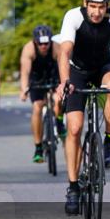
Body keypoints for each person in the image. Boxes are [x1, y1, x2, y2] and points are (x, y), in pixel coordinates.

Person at [56, 0, 110, 215]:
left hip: (103, 66)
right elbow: (65, 51)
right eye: (93, 7)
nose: (97, 12)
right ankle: (72, 188)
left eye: (102, 7)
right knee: (75, 128)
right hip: (77, 71)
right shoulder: (73, 17)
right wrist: (65, 81)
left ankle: (109, 143)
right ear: (85, 3)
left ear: (107, 5)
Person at [20, 25, 64, 163]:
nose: (44, 46)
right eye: (40, 43)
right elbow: (25, 72)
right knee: (37, 107)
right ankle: (38, 147)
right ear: (35, 42)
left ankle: (59, 122)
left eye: (46, 43)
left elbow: (64, 67)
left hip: (53, 75)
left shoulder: (57, 47)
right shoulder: (29, 49)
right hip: (36, 78)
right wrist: (24, 89)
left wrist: (64, 85)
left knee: (58, 99)